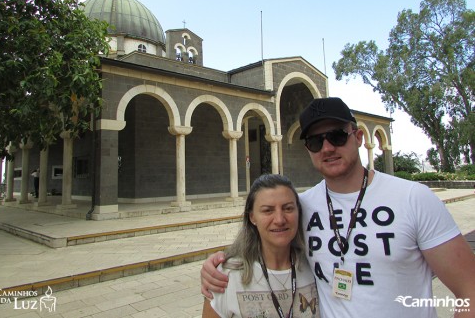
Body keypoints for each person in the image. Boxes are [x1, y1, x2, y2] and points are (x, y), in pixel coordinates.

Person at [201, 97, 475, 318]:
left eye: (337, 136)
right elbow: (265, 240)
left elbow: (469, 289)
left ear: (357, 136)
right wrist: (217, 265)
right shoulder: (302, 207)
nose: (327, 147)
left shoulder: (414, 198)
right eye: (316, 141)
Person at [202, 173, 319, 318]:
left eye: (288, 208)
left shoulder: (315, 267)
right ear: (252, 217)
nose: (279, 219)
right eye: (267, 210)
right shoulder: (226, 276)